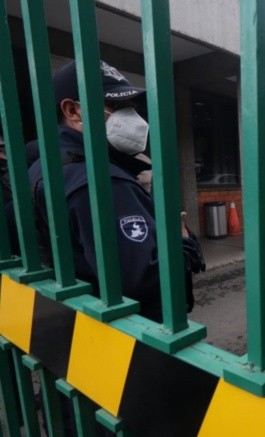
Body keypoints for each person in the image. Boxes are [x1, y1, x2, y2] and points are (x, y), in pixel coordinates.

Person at [6, 60, 205, 319]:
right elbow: (146, 277)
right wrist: (183, 241)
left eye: (132, 107)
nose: (134, 119)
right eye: (117, 106)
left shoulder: (46, 166)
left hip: (79, 315)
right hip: (133, 329)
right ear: (73, 110)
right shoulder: (101, 181)